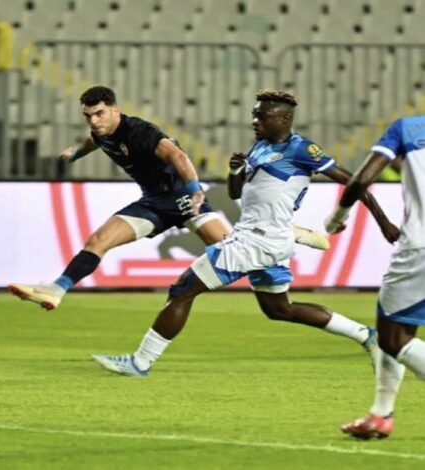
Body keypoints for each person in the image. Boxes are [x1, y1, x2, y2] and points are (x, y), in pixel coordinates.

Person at [91, 89, 400, 380]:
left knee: (182, 290)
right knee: (279, 309)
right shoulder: (261, 147)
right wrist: (235, 171)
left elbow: (356, 182)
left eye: (262, 116)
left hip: (257, 241)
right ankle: (367, 336)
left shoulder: (302, 149)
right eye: (254, 114)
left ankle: (141, 362)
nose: (254, 120)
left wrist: (383, 222)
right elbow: (235, 193)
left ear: (284, 119)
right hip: (262, 237)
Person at [8, 86, 329, 311]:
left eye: (100, 114)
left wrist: (195, 190)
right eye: (88, 115)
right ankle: (57, 289)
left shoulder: (141, 132)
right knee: (98, 241)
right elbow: (94, 141)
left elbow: (178, 155)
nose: (94, 121)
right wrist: (75, 152)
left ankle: (287, 231)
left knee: (237, 249)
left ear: (115, 110)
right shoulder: (101, 132)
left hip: (184, 199)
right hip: (153, 203)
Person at [326, 115, 425, 439]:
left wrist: (337, 216)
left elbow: (360, 180)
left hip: (420, 249)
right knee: (402, 328)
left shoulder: (408, 128)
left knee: (392, 338)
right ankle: (380, 414)